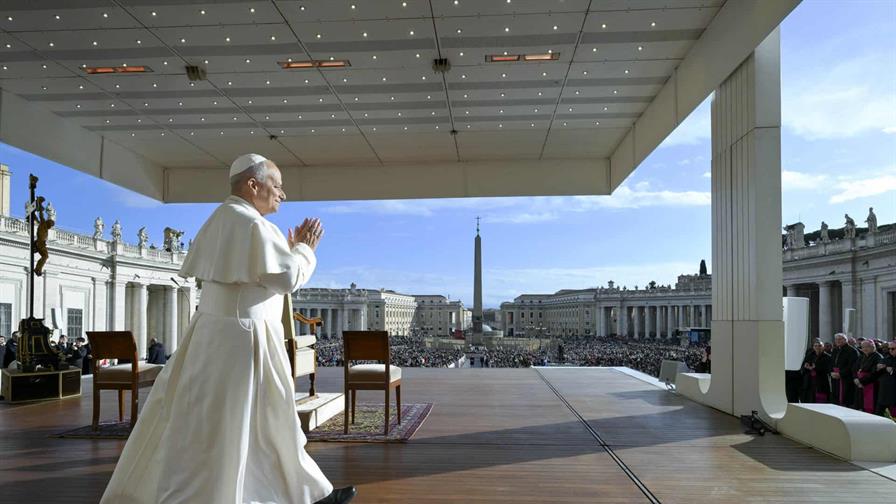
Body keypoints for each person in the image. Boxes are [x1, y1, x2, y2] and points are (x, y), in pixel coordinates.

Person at [99, 154, 356, 504]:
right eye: (277, 186)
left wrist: (289, 248)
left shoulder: (226, 218)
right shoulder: (251, 225)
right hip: (244, 340)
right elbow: (287, 277)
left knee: (241, 425)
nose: (282, 194)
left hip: (219, 336)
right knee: (259, 425)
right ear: (253, 185)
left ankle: (307, 493)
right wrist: (304, 250)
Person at [854, 340, 883, 413]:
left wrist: (861, 381)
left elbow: (875, 373)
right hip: (860, 383)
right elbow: (854, 369)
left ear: (873, 347)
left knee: (870, 407)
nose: (865, 349)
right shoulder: (862, 356)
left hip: (871, 385)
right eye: (863, 347)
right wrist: (855, 378)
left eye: (867, 347)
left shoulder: (878, 357)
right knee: (860, 405)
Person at [830, 333, 859, 407]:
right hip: (835, 378)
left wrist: (841, 374)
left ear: (845, 340)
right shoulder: (835, 350)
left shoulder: (852, 351)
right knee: (835, 397)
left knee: (846, 399)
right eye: (836, 339)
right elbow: (831, 363)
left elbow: (852, 366)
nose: (838, 341)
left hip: (846, 378)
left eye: (840, 339)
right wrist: (831, 372)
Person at [800, 339, 832, 403]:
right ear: (813, 347)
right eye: (815, 346)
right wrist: (806, 367)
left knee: (820, 401)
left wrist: (815, 368)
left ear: (823, 347)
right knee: (809, 398)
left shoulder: (827, 357)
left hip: (821, 381)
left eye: (819, 346)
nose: (817, 347)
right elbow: (803, 366)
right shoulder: (809, 355)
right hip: (809, 381)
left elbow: (828, 369)